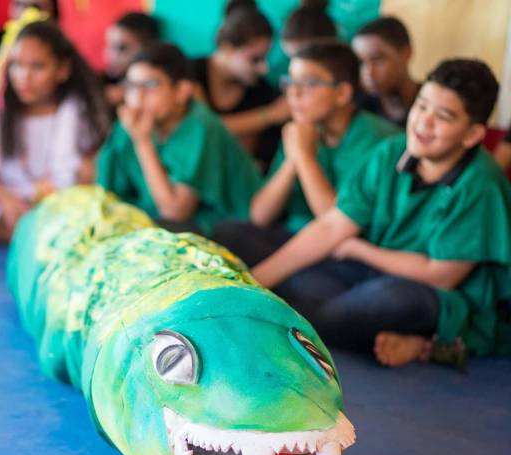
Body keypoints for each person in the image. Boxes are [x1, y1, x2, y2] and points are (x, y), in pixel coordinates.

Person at [251, 59, 511, 367]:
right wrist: (254, 282)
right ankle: (315, 319)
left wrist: (360, 249)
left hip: (440, 297)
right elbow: (333, 225)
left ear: (471, 135)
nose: (423, 122)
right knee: (302, 275)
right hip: (376, 273)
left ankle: (290, 324)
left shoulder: (480, 183)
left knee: (392, 299)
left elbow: (440, 275)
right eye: (422, 106)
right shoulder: (393, 151)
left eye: (442, 116)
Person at [213, 41, 397, 266]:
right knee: (228, 233)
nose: (294, 93)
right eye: (290, 82)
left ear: (342, 93)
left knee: (302, 286)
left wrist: (304, 157)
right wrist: (292, 161)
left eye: (309, 83)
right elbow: (259, 215)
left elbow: (334, 225)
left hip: (346, 253)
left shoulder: (376, 141)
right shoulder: (304, 129)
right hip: (295, 239)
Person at [0, 18, 108, 245]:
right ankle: (23, 233)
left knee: (83, 212)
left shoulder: (76, 107)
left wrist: (49, 199)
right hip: (6, 194)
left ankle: (5, 234)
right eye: (16, 65)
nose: (24, 76)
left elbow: (86, 172)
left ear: (62, 70)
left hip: (58, 197)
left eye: (38, 67)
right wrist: (5, 200)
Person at [96, 42, 261, 235]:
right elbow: (106, 195)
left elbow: (174, 212)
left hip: (227, 228)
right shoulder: (130, 122)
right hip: (155, 221)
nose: (138, 98)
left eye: (150, 86)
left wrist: (142, 142)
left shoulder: (200, 126)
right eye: (131, 86)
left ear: (182, 91)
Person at [191, 2, 285, 168]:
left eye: (265, 58)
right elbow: (203, 130)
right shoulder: (190, 73)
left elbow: (246, 162)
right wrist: (270, 115)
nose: (264, 68)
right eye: (255, 59)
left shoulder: (260, 89)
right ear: (227, 49)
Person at [352, 16, 420, 127]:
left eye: (377, 59)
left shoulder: (431, 105)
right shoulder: (358, 111)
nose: (368, 73)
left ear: (406, 53)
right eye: (361, 63)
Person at [102, 12, 159, 110]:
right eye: (108, 45)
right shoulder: (101, 82)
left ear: (146, 48)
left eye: (122, 48)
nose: (110, 55)